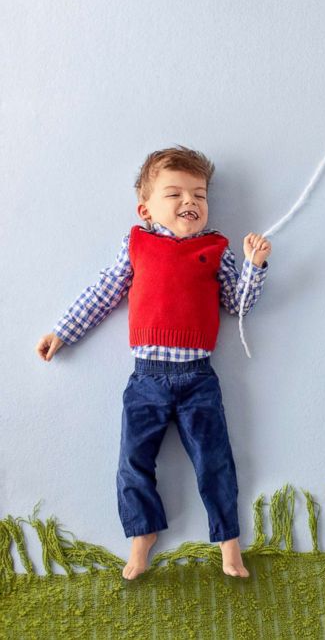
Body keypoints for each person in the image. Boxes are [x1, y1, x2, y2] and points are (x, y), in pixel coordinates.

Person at [35, 146, 271, 579]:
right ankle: (141, 536)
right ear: (146, 208)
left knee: (214, 460)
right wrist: (62, 332)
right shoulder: (138, 244)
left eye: (199, 195)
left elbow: (237, 305)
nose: (190, 203)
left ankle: (229, 543)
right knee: (133, 458)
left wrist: (255, 267)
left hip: (198, 377)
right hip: (146, 376)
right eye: (175, 194)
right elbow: (104, 293)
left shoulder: (216, 247)